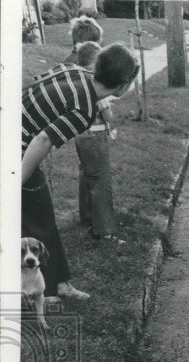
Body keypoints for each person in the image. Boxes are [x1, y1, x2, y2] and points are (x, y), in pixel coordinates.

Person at [22, 42, 139, 301]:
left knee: (39, 216)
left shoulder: (76, 71)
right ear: (123, 84)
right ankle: (49, 290)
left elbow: (34, 85)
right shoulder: (85, 109)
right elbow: (43, 140)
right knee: (38, 218)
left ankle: (59, 283)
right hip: (14, 147)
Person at [70, 41, 125, 244]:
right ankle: (104, 230)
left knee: (87, 175)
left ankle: (87, 217)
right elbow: (107, 114)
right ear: (95, 64)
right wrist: (113, 121)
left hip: (81, 135)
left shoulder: (77, 80)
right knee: (101, 180)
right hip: (96, 136)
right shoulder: (94, 85)